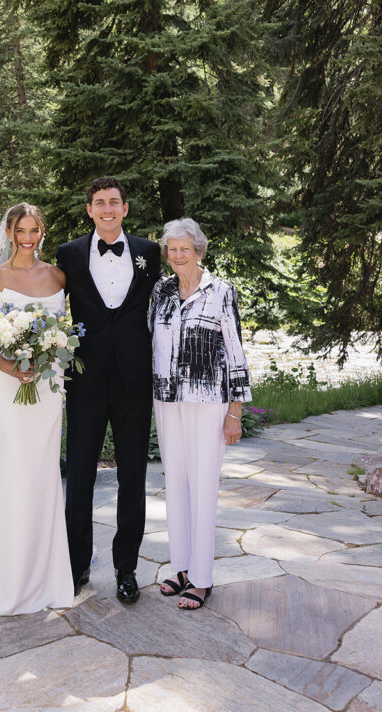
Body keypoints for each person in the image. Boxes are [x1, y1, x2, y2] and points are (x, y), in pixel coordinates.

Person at [56, 177, 162, 604]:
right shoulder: (68, 254)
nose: (106, 209)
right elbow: (47, 304)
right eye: (99, 203)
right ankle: (76, 564)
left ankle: (126, 569)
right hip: (85, 382)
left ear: (125, 208)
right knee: (79, 474)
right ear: (89, 210)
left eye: (114, 202)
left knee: (132, 475)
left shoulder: (149, 252)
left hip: (135, 381)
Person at [0, 202, 74, 615]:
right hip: (8, 386)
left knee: (44, 472)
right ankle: (7, 579)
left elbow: (62, 331)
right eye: (22, 231)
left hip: (48, 389)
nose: (28, 238)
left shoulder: (57, 276)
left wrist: (46, 359)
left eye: (35, 230)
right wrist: (13, 367)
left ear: (41, 232)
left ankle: (47, 576)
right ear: (9, 233)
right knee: (13, 469)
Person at [149, 217, 251, 610]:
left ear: (199, 251)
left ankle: (202, 578)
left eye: (184, 249)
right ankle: (181, 568)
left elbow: (236, 352)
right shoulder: (161, 290)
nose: (177, 256)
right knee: (175, 484)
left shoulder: (221, 290)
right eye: (171, 249)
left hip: (209, 401)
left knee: (203, 485)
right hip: (167, 398)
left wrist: (235, 412)